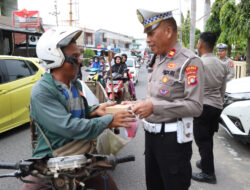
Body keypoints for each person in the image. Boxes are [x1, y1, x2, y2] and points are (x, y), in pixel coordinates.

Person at [21, 27, 135, 190]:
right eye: (75, 56)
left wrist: (93, 110)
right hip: (51, 161)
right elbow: (68, 127)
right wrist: (108, 121)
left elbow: (75, 113)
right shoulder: (42, 91)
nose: (80, 60)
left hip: (82, 156)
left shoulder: (74, 84)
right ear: (56, 58)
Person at [131, 9, 205, 190]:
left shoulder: (189, 61)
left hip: (172, 142)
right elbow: (155, 97)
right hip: (151, 138)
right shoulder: (158, 59)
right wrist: (136, 104)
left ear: (168, 31)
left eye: (150, 33)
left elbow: (195, 106)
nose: (147, 39)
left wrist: (154, 107)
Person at [192, 32, 227, 184]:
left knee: (202, 139)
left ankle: (208, 174)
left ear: (200, 44)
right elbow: (223, 89)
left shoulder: (199, 64)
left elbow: (193, 89)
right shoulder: (222, 64)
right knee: (208, 138)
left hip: (203, 107)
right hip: (217, 106)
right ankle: (205, 162)